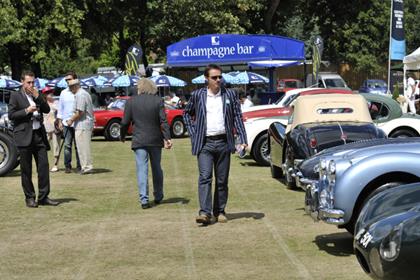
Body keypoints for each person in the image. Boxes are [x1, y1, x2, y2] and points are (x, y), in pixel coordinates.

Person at [183, 64, 247, 225]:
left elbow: (238, 117)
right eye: (214, 77)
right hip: (205, 144)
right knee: (205, 177)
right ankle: (205, 212)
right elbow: (186, 113)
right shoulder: (198, 95)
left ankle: (220, 211)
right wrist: (193, 132)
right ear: (207, 79)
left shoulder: (230, 94)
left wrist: (243, 139)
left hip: (224, 142)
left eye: (220, 77)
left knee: (222, 180)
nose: (218, 80)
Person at [8, 70, 59, 207]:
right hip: (24, 135)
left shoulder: (37, 93)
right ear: (22, 82)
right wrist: (26, 111)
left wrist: (38, 97)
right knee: (26, 169)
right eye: (28, 82)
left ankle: (44, 197)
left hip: (38, 135)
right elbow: (11, 115)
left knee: (43, 167)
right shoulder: (15, 95)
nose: (31, 84)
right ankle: (29, 197)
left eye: (33, 82)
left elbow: (47, 109)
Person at [120, 78, 173, 209]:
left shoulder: (131, 102)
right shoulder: (158, 100)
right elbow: (163, 121)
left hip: (139, 140)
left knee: (141, 169)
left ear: (140, 88)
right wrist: (167, 137)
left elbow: (125, 122)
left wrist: (122, 135)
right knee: (157, 168)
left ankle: (144, 199)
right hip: (155, 139)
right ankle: (159, 196)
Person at [66, 79, 94, 175]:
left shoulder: (80, 95)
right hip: (82, 124)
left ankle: (87, 167)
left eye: (71, 88)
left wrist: (70, 120)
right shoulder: (83, 93)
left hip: (83, 124)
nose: (70, 90)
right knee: (81, 146)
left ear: (75, 86)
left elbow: (80, 112)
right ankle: (84, 166)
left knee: (83, 147)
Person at [56, 71, 81, 173]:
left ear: (75, 79)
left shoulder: (80, 92)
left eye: (69, 79)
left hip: (78, 123)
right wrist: (60, 121)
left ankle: (80, 165)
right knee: (67, 145)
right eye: (66, 80)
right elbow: (60, 108)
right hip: (66, 122)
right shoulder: (63, 93)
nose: (67, 81)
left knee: (78, 145)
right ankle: (67, 166)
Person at [43, 93, 61, 172]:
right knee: (43, 147)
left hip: (55, 128)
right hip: (45, 128)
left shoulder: (56, 103)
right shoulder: (43, 104)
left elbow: (60, 112)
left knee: (56, 146)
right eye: (49, 93)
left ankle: (55, 164)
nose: (51, 95)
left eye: (52, 93)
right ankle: (44, 164)